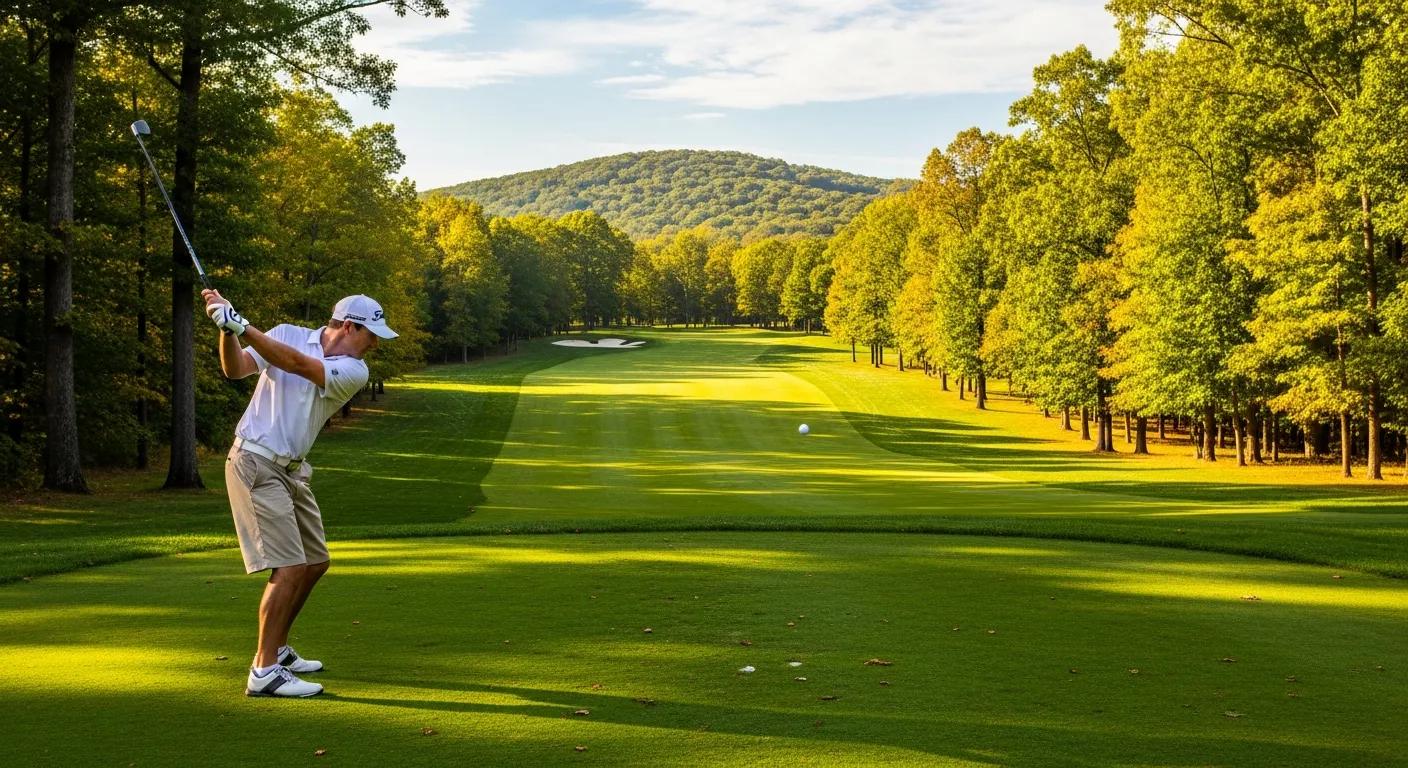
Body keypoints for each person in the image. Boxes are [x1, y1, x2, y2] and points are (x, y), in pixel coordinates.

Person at [203, 289, 398, 698]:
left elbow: (296, 364)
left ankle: (278, 650)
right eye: (372, 334)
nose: (376, 343)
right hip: (255, 461)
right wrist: (228, 331)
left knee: (315, 562)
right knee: (289, 567)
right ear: (349, 326)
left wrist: (243, 325)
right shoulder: (286, 332)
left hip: (292, 471)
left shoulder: (353, 370)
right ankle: (264, 671)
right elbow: (236, 368)